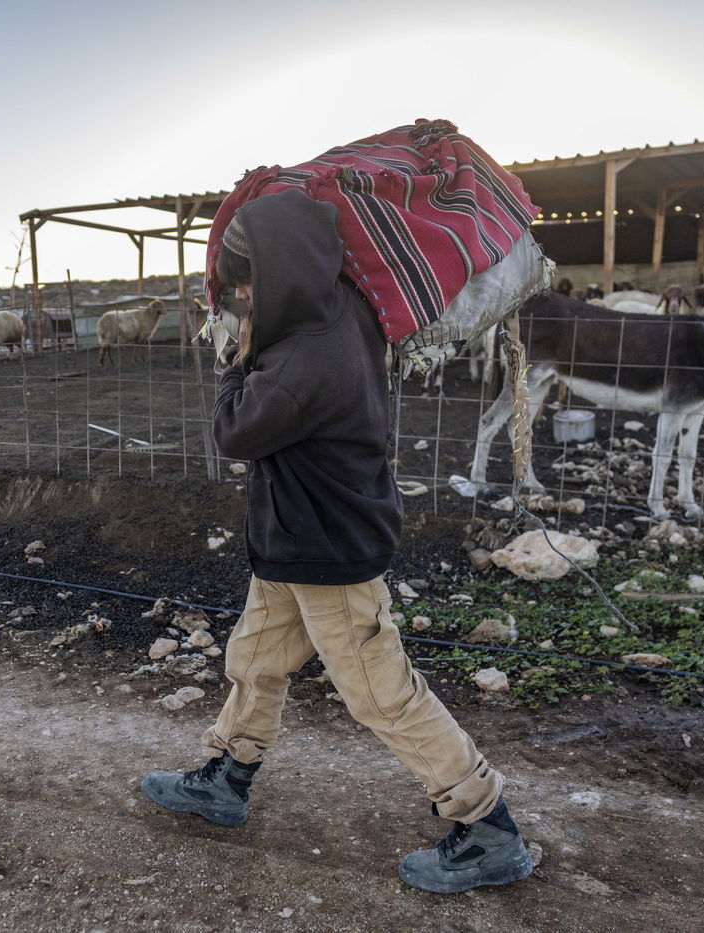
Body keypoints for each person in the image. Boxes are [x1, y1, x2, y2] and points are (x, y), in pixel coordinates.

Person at [140, 188, 532, 894]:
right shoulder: (338, 307)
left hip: (326, 548)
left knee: (378, 690)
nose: (243, 299)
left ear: (280, 271)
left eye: (247, 285)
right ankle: (227, 775)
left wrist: (235, 357)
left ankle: (487, 823)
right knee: (255, 657)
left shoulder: (300, 361)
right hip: (297, 536)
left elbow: (233, 431)